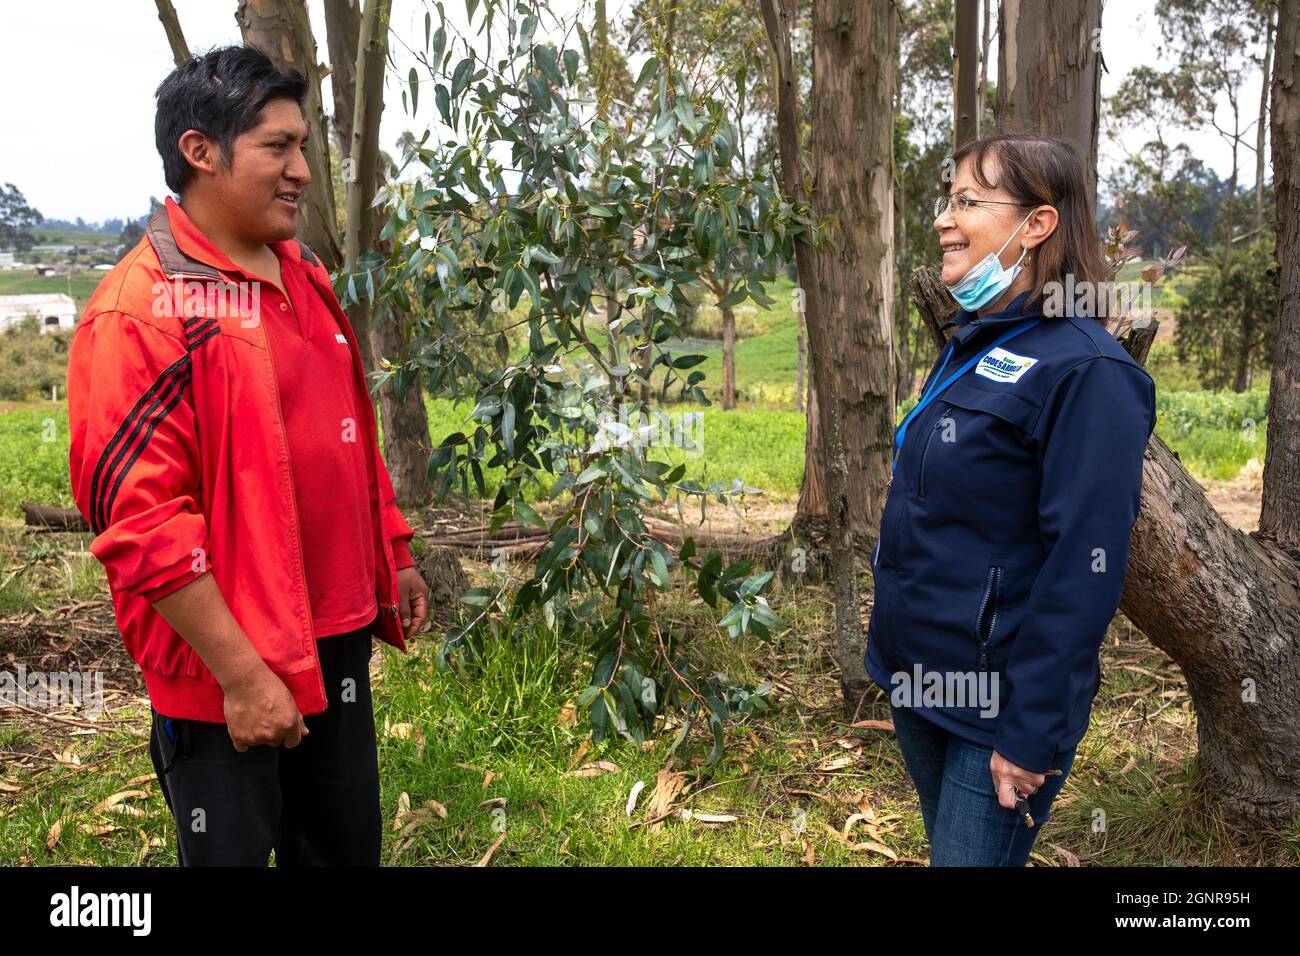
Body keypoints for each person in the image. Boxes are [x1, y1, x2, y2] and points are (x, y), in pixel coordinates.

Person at [66, 45, 430, 866]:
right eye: (278, 147)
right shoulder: (142, 311)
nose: (302, 169)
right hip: (224, 665)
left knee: (341, 849)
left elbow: (346, 430)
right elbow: (142, 524)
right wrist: (240, 675)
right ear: (200, 151)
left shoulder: (301, 270)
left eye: (303, 146)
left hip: (334, 637)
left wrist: (392, 549)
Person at [864, 132, 1155, 866]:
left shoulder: (1088, 373)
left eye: (967, 200)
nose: (942, 218)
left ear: (1038, 225)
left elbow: (1083, 569)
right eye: (946, 199)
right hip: (920, 677)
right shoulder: (975, 344)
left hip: (1000, 709)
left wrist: (1030, 732)